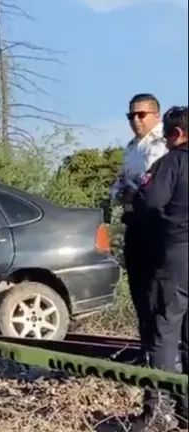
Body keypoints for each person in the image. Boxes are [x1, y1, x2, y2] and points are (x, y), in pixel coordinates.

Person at [129, 105, 188, 431]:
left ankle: (159, 413)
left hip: (176, 257)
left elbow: (150, 203)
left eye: (166, 136)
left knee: (164, 334)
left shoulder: (172, 163)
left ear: (176, 134)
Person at [109, 93, 168, 344]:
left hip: (158, 223)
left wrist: (134, 190)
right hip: (134, 221)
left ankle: (164, 350)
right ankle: (146, 345)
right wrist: (123, 192)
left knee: (159, 289)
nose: (135, 120)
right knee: (139, 287)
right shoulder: (131, 147)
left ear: (156, 115)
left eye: (141, 114)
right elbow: (118, 185)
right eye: (130, 115)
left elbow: (155, 187)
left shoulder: (164, 144)